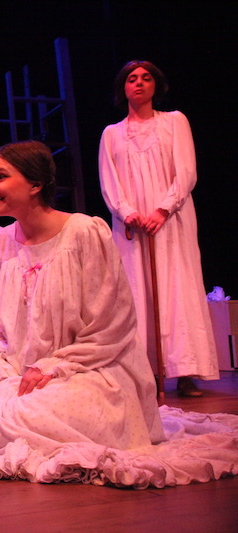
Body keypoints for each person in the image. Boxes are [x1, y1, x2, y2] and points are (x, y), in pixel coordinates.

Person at [0, 140, 178, 484]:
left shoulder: (85, 232)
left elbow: (112, 322)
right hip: (20, 374)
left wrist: (55, 365)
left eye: (1, 176)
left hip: (90, 367)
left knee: (27, 414)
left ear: (35, 184)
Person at [98, 60, 219, 397]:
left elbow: (186, 171)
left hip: (171, 219)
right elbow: (109, 180)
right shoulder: (112, 134)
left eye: (146, 78)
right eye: (132, 79)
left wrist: (164, 208)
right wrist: (128, 212)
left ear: (156, 85)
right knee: (136, 290)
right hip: (133, 226)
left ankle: (183, 371)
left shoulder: (175, 122)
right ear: (123, 88)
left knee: (178, 287)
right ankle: (144, 370)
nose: (139, 83)